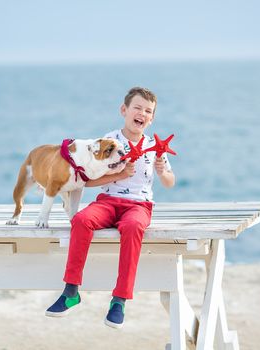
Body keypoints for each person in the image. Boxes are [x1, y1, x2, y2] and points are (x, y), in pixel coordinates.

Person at [45, 87, 176, 329]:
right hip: (107, 202)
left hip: (139, 205)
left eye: (148, 111)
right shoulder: (109, 141)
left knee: (133, 226)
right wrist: (118, 172)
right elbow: (89, 180)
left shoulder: (154, 147)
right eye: (137, 107)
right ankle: (71, 291)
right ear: (124, 110)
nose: (142, 113)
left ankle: (120, 299)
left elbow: (169, 182)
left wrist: (162, 171)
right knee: (82, 220)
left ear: (152, 118)